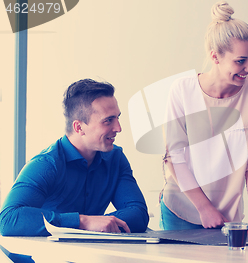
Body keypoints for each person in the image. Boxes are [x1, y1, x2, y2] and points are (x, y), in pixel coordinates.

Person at [160, 1, 248, 230]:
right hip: (180, 211)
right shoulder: (182, 90)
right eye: (241, 61)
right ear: (215, 57)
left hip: (228, 216)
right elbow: (174, 157)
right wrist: (204, 208)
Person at [0, 79, 149, 236]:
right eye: (108, 120)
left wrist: (100, 224)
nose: (118, 128)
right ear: (79, 127)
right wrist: (83, 222)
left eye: (118, 117)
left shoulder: (115, 159)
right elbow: (8, 220)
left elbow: (138, 213)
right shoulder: (46, 164)